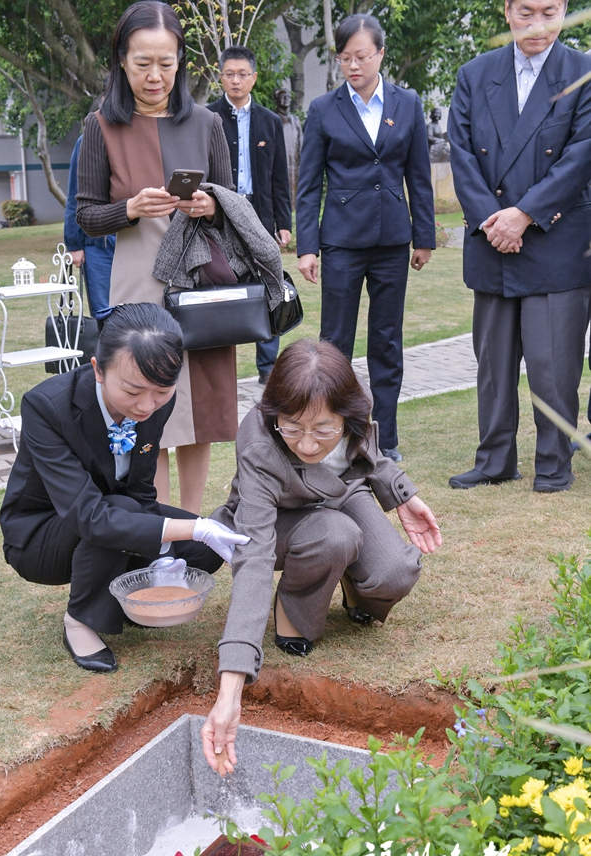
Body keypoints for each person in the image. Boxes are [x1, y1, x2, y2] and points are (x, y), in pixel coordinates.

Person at [200, 339, 442, 775]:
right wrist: (230, 689)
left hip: (342, 494)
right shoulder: (258, 442)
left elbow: (367, 453)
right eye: (292, 428)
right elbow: (253, 561)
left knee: (396, 571)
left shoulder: (356, 403)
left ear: (345, 414)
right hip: (279, 520)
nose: (308, 444)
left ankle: (352, 583)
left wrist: (402, 494)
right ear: (274, 414)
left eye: (323, 430)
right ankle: (295, 610)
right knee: (335, 534)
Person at [0, 303, 249, 675]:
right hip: (41, 536)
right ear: (98, 368)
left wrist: (167, 549)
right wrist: (187, 527)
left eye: (162, 391)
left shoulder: (156, 399)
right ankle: (80, 622)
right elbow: (91, 516)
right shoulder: (47, 407)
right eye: (133, 390)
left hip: (114, 510)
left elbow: (141, 492)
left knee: (205, 550)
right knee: (131, 515)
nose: (147, 405)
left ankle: (128, 594)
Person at [76, 0, 236, 514]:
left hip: (199, 280)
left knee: (201, 408)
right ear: (122, 60)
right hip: (138, 282)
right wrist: (129, 208)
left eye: (166, 63)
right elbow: (86, 215)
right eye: (143, 62)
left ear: (181, 61)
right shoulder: (100, 125)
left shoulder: (208, 123)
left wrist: (211, 204)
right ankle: (159, 524)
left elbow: (233, 206)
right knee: (147, 402)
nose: (155, 75)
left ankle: (192, 521)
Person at [447, 0, 591, 493]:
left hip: (555, 240)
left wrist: (524, 214)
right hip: (492, 240)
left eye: (549, 11)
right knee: (493, 364)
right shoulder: (474, 73)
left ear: (565, 9)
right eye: (525, 12)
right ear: (507, 11)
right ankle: (494, 460)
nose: (538, 24)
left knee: (553, 367)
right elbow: (461, 152)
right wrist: (494, 219)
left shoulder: (583, 72)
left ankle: (553, 462)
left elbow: (580, 156)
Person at [296, 13, 435, 465]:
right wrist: (307, 247)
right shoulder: (322, 110)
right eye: (344, 58)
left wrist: (424, 236)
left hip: (393, 240)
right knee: (334, 345)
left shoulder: (408, 103)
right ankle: (332, 436)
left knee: (387, 341)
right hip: (341, 241)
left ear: (380, 54)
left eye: (362, 56)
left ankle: (384, 439)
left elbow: (419, 174)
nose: (353, 65)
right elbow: (308, 184)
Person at [207, 45, 292, 385]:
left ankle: (268, 368)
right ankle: (218, 364)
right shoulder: (209, 117)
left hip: (260, 213)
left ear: (254, 78)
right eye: (230, 74)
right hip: (220, 213)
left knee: (269, 286)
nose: (236, 80)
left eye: (243, 74)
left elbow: (279, 178)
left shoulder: (271, 122)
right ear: (221, 76)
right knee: (220, 285)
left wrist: (283, 224)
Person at [64, 133, 116, 317]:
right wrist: (74, 244)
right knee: (105, 314)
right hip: (99, 245)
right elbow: (75, 195)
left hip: (138, 238)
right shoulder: (87, 140)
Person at [274, 87, 303, 211]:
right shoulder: (273, 118)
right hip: (279, 162)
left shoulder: (295, 120)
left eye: (288, 97)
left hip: (294, 161)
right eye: (282, 97)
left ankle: (293, 213)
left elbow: (301, 141)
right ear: (277, 100)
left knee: (294, 188)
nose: (286, 99)